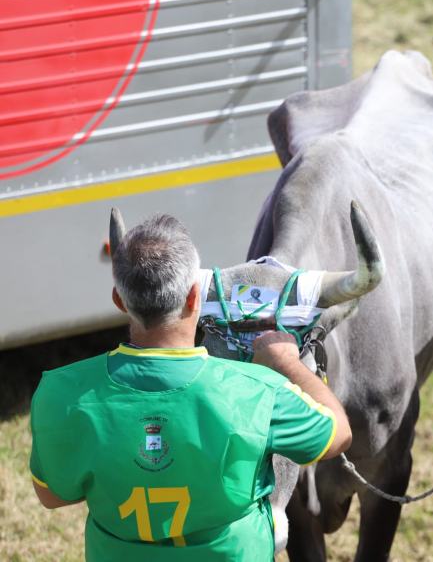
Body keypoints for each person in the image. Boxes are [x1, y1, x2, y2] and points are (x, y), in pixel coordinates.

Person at [29, 214, 352, 561]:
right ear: (194, 297)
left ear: (120, 300)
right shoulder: (258, 391)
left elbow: (52, 496)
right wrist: (287, 361)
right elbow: (338, 433)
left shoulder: (60, 392)